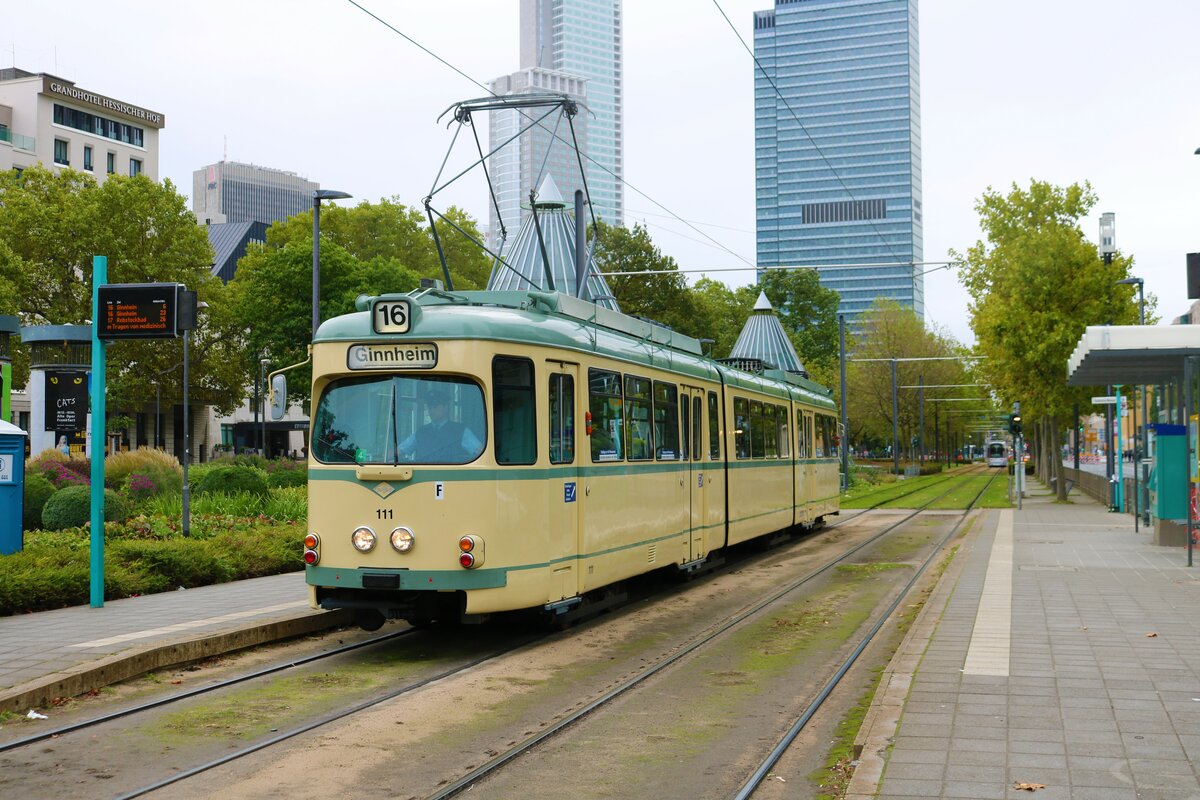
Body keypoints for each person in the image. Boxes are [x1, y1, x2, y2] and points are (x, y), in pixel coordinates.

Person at [400, 390, 483, 462]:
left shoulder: (461, 431)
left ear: (446, 407)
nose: (431, 411)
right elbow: (400, 450)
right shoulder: (421, 432)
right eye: (429, 407)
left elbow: (481, 453)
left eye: (435, 407)